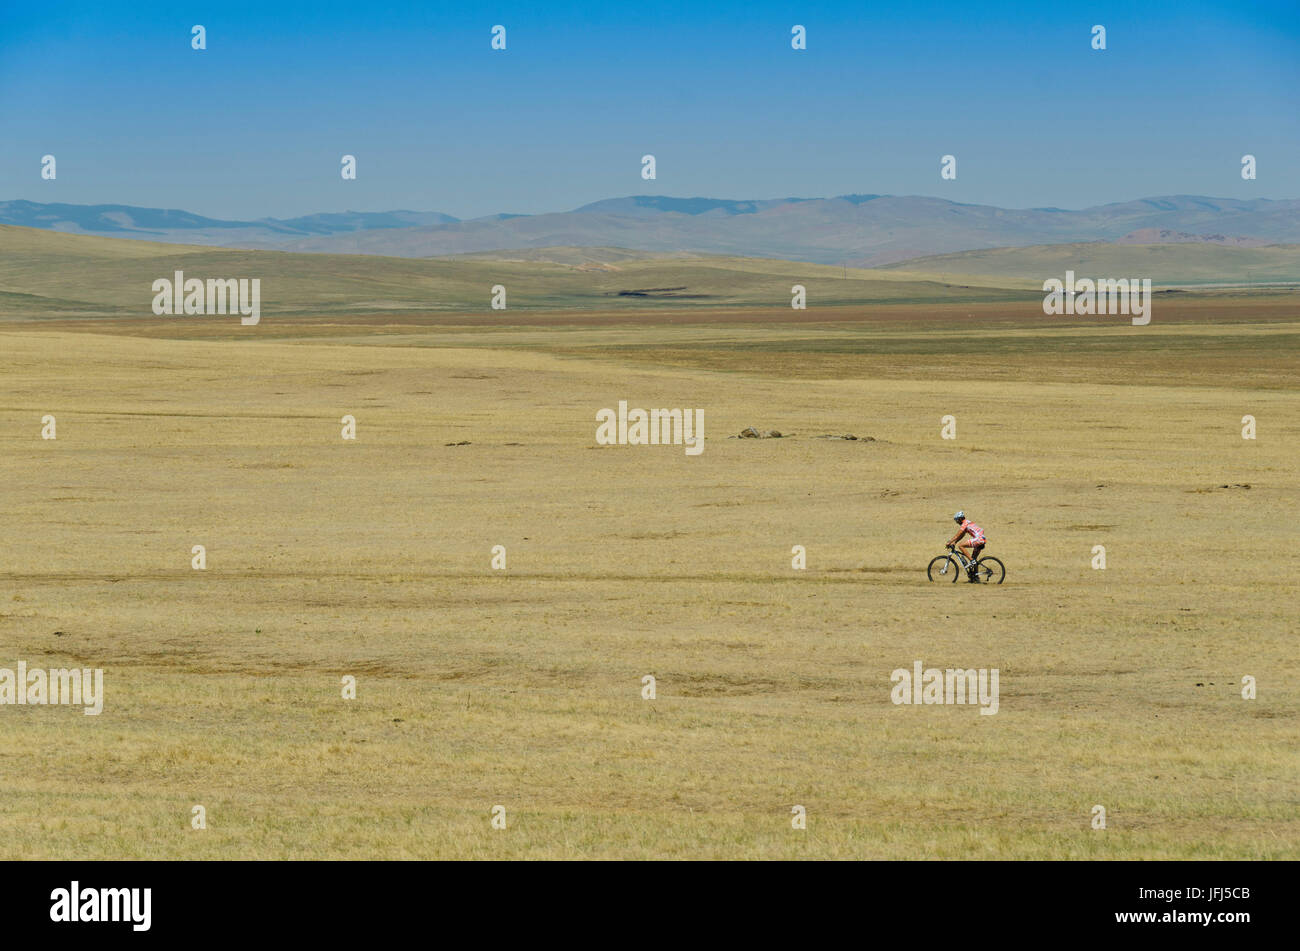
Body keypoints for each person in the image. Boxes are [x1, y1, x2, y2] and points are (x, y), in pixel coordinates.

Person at [946, 511, 986, 580]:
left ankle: (971, 560)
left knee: (961, 545)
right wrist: (955, 542)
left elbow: (958, 534)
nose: (957, 522)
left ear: (960, 519)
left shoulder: (965, 523)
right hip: (982, 539)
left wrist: (950, 542)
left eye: (957, 520)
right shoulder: (967, 523)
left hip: (979, 539)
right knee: (974, 560)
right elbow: (962, 535)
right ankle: (975, 577)